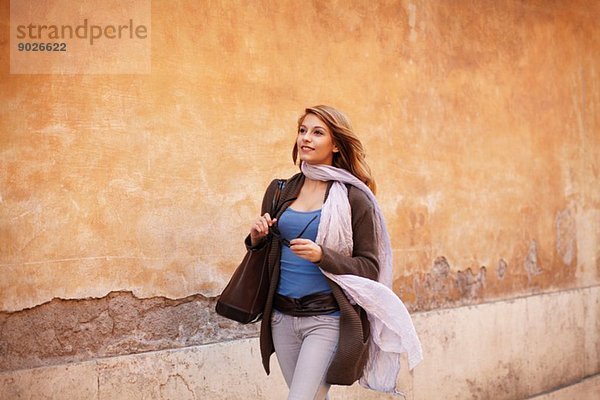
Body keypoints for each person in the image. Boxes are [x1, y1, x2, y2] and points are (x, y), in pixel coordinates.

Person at [246, 105, 422, 400]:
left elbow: (369, 267)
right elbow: (266, 252)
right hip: (281, 317)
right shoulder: (280, 191)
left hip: (325, 319)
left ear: (336, 143)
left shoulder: (354, 197)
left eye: (317, 132)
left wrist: (322, 256)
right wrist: (256, 238)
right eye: (303, 130)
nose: (306, 138)